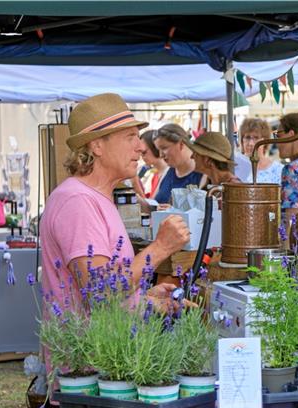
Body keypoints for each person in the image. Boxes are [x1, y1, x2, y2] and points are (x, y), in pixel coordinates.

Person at [40, 92, 190, 313]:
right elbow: (98, 292)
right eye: (130, 136)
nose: (140, 147)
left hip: (102, 344)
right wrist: (161, 247)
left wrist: (146, 299)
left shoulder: (93, 197)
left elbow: (107, 291)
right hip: (89, 348)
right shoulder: (78, 201)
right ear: (97, 146)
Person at [151, 123, 205, 205]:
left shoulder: (203, 174)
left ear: (181, 144)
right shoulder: (167, 171)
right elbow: (153, 203)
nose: (161, 155)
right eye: (158, 150)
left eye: (164, 148)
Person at [240, 118, 282, 184]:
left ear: (265, 141)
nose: (251, 143)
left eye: (256, 138)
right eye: (247, 137)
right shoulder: (235, 167)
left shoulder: (279, 170)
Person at [138, 130, 170, 198]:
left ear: (156, 147)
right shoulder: (155, 175)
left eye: (144, 152)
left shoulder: (169, 173)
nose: (141, 156)